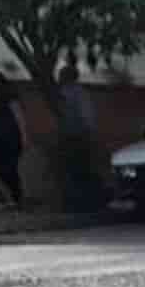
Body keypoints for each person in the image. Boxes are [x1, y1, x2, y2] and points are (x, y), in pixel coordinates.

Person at [56, 62, 100, 211]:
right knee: (79, 169)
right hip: (76, 136)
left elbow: (86, 116)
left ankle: (78, 202)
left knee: (76, 169)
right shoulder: (78, 93)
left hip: (75, 136)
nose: (59, 78)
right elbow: (88, 116)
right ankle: (80, 202)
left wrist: (89, 131)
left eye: (61, 76)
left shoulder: (70, 93)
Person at [0, 72, 27, 208]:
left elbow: (19, 117)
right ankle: (12, 197)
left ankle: (17, 198)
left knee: (9, 168)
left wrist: (24, 136)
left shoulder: (10, 98)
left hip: (10, 138)